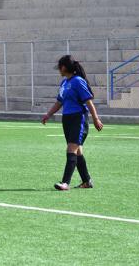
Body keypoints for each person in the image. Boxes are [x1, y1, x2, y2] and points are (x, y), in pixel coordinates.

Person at [42, 55, 103, 191]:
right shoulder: (64, 83)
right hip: (67, 119)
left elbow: (88, 101)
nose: (59, 70)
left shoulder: (78, 81)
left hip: (78, 119)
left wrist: (95, 118)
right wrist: (48, 114)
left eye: (59, 67)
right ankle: (86, 181)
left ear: (63, 67)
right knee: (78, 151)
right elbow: (59, 102)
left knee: (71, 149)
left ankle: (65, 182)